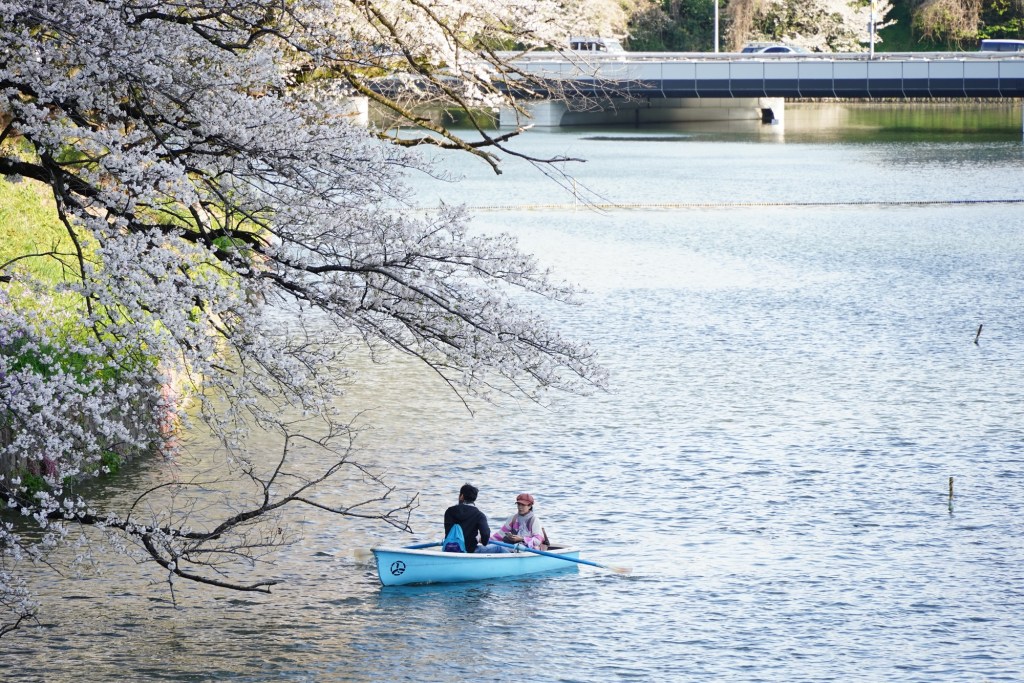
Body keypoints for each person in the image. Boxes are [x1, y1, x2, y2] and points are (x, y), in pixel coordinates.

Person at [474, 492, 544, 553]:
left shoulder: (534, 520)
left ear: (530, 506)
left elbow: (537, 540)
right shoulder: (513, 518)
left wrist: (522, 539)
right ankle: (474, 550)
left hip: (528, 550)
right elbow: (500, 535)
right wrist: (485, 540)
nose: (520, 507)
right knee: (496, 544)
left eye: (523, 505)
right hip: (514, 549)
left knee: (498, 547)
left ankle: (474, 551)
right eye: (518, 504)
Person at [443, 483, 491, 553]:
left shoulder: (449, 511)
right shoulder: (479, 515)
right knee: (498, 548)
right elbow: (485, 534)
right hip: (470, 551)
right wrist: (483, 541)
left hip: (450, 549)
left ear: (461, 496)